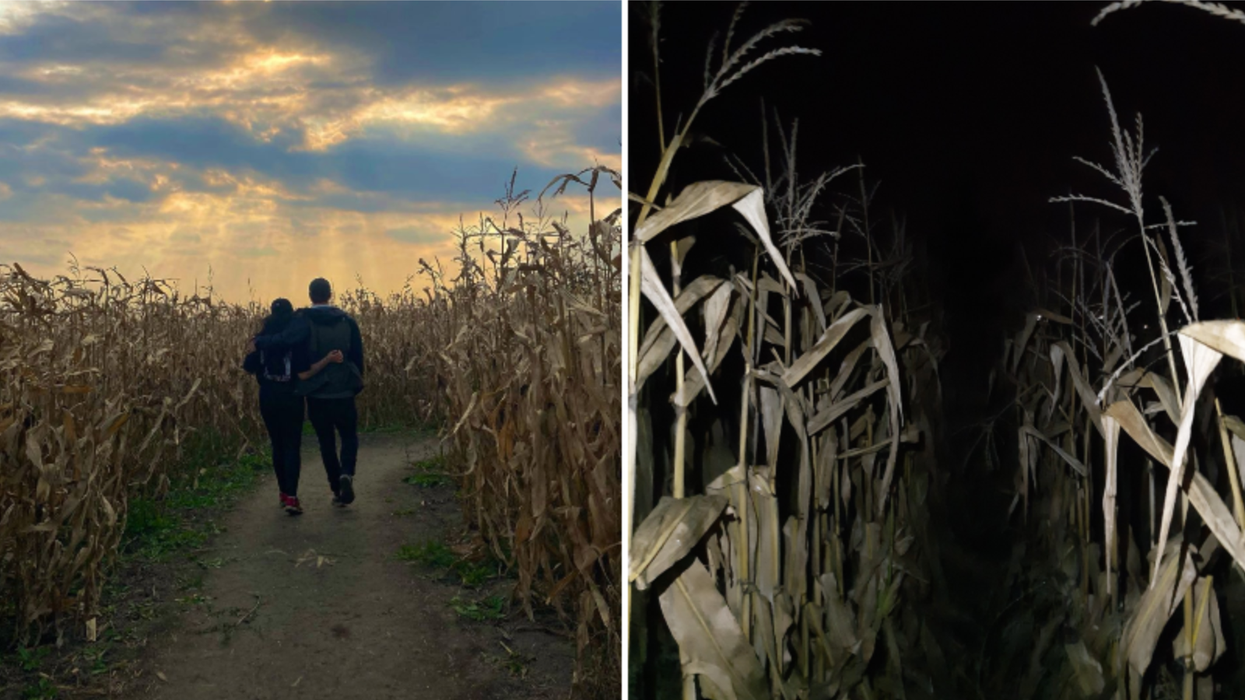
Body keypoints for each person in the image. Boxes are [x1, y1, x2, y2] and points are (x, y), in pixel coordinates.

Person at [254, 278, 365, 507]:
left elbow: (291, 347)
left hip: (316, 393)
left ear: (310, 295)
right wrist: (355, 383)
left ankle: (336, 487)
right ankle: (346, 472)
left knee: (326, 442)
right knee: (349, 436)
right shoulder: (347, 321)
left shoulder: (302, 322)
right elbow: (357, 356)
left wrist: (259, 342)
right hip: (343, 390)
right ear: (330, 294)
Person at [243, 299, 308, 515]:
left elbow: (248, 366)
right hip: (291, 395)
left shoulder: (262, 338)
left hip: (268, 395)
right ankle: (292, 497)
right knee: (292, 446)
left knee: (277, 445)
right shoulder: (295, 338)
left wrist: (255, 346)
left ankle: (282, 493)